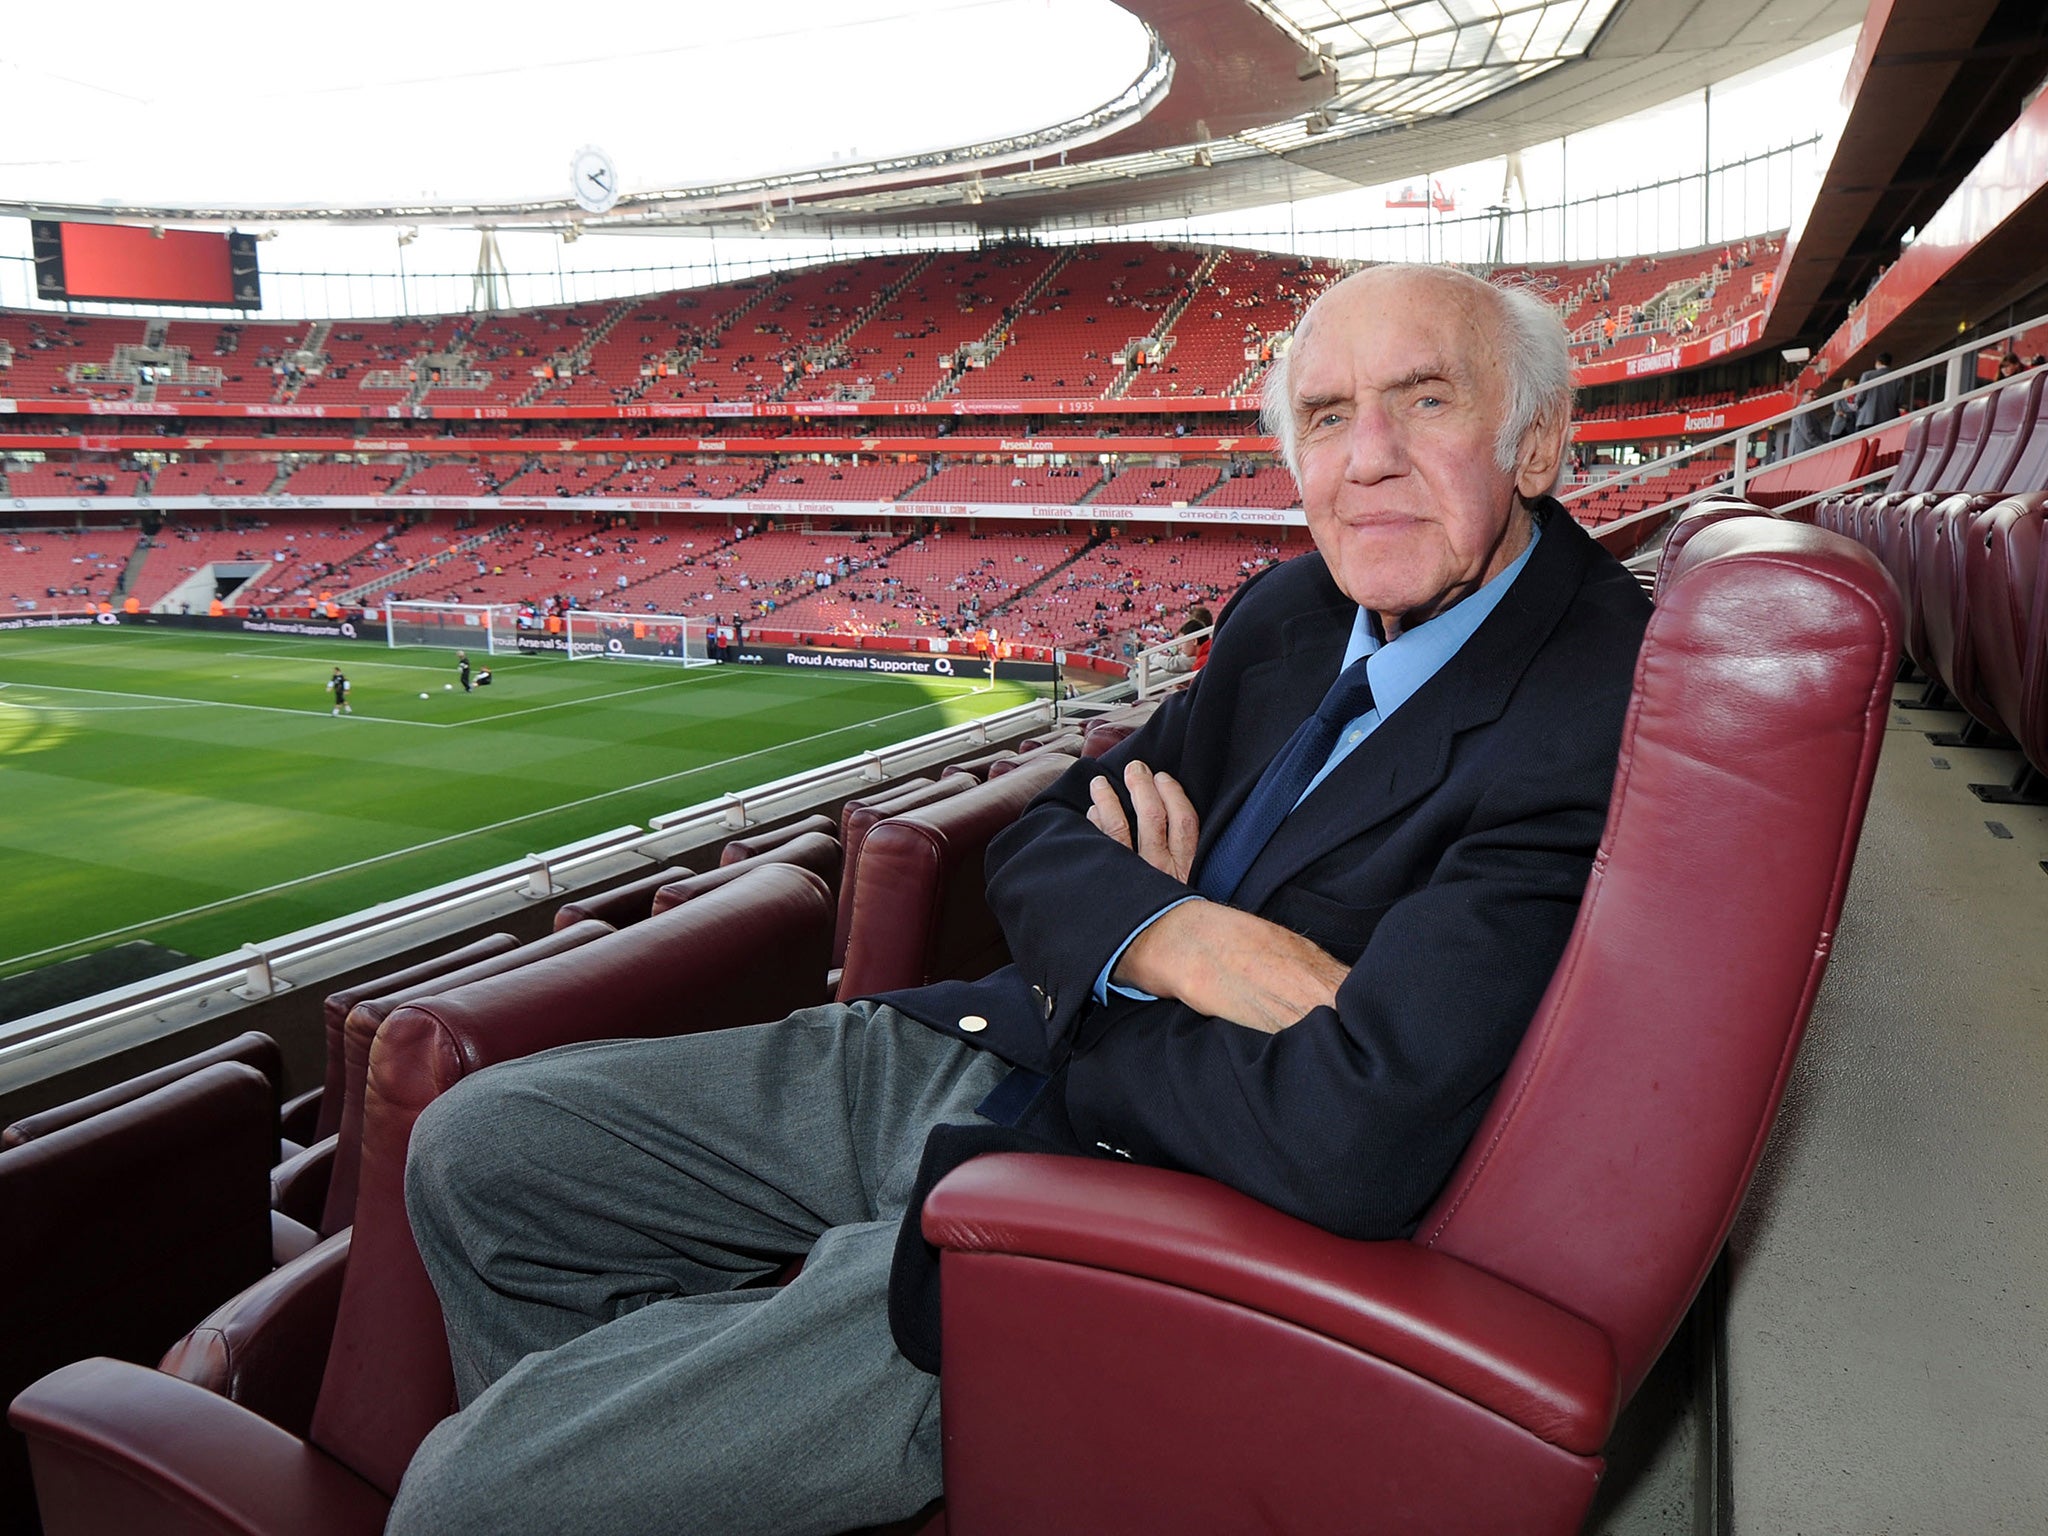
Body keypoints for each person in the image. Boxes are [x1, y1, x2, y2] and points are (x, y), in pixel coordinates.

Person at [388, 264, 1652, 1536]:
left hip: (1118, 1185)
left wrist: (1118, 959)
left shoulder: (1594, 710)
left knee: (462, 1501)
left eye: (1422, 400)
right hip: (995, 1044)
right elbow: (1041, 842)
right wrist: (1175, 939)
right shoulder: (1294, 611)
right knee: (479, 1149)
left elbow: (1353, 1134)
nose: (1365, 459)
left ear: (1533, 440)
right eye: (1326, 417)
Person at [1853, 353, 1903, 429]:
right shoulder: (1898, 377)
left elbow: (1860, 396)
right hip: (1889, 418)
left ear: (1878, 362)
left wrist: (1857, 405)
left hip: (1867, 418)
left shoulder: (1867, 375)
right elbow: (1899, 401)